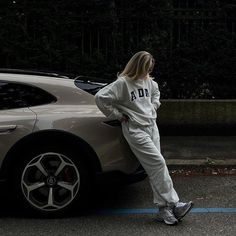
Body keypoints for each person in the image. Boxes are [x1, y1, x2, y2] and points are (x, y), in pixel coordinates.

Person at [95, 51, 193, 225]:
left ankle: (164, 210)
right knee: (158, 163)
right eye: (146, 67)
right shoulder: (122, 83)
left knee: (154, 168)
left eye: (150, 68)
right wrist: (118, 115)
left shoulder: (150, 82)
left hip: (152, 127)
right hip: (135, 130)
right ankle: (175, 203)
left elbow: (156, 95)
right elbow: (101, 98)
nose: (148, 71)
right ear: (138, 66)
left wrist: (154, 106)